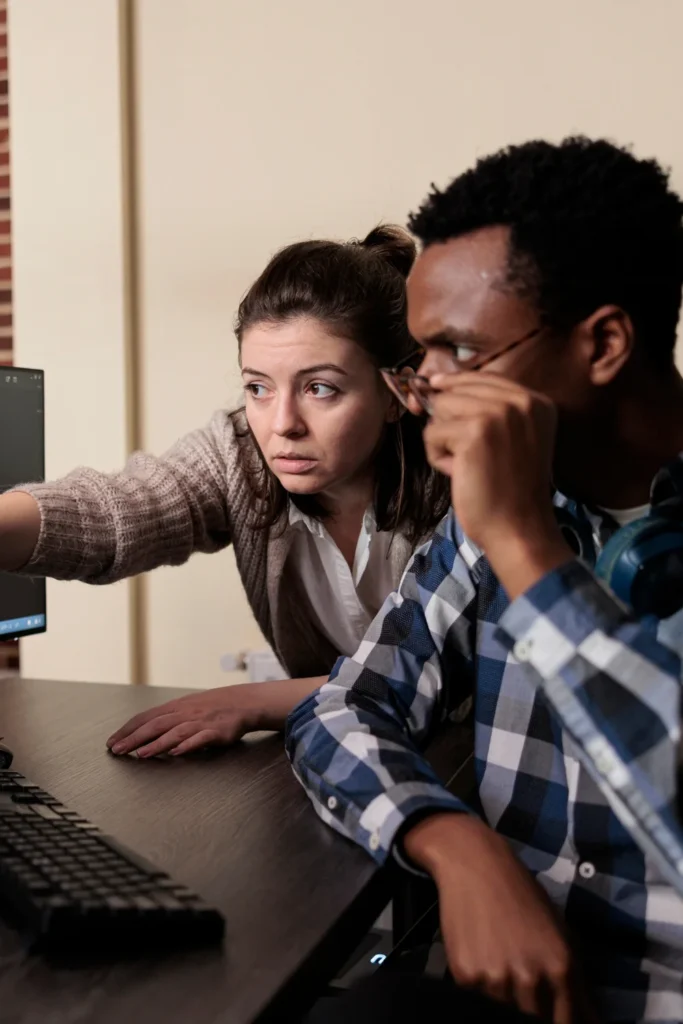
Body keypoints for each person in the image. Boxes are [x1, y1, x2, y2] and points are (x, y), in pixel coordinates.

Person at [287, 137, 683, 1024]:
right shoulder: (485, 515)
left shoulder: (502, 517)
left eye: (456, 352)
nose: (425, 392)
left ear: (605, 343)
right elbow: (346, 706)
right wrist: (456, 845)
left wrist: (523, 546)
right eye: (418, 359)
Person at [0, 225, 449, 757]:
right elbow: (118, 511)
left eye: (320, 388)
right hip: (353, 762)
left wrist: (258, 702)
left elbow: (446, 675)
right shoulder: (240, 453)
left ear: (397, 393)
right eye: (257, 387)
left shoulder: (462, 475)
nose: (282, 424)